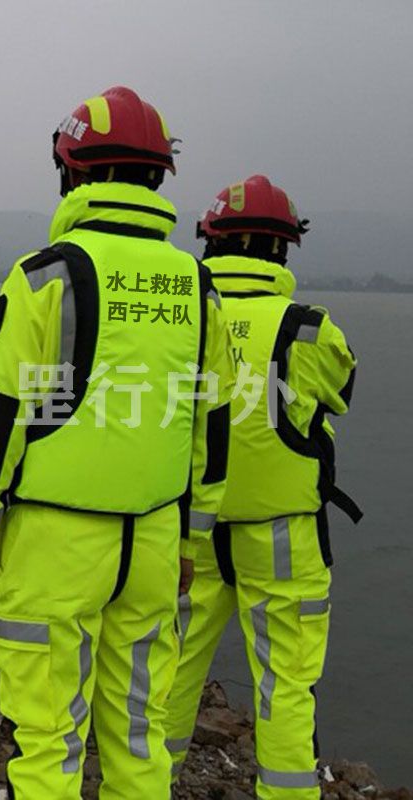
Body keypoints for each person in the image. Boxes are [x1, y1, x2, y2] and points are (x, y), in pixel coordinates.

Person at [0, 86, 235, 799]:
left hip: (54, 545)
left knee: (48, 737)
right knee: (139, 738)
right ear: (156, 179)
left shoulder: (46, 275)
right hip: (154, 541)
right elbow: (213, 428)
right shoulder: (198, 285)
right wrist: (190, 545)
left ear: (72, 171)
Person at [164, 175, 361, 799]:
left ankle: (147, 784)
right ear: (282, 248)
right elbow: (339, 393)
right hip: (281, 537)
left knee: (167, 674)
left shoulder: (184, 316)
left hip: (188, 538)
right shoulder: (309, 329)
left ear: (213, 242)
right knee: (285, 686)